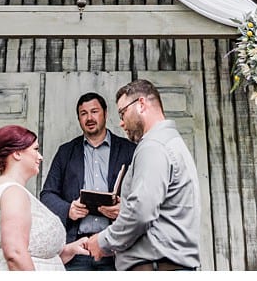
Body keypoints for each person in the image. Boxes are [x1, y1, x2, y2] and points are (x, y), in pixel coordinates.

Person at [85, 80, 201, 271]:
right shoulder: (171, 142)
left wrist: (103, 241)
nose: (121, 122)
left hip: (154, 267)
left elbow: (141, 212)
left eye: (122, 113)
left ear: (141, 104)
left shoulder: (153, 146)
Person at [40, 92, 137, 271]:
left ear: (105, 114)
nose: (89, 118)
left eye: (94, 111)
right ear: (79, 118)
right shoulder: (66, 152)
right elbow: (47, 194)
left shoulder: (129, 150)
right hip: (77, 249)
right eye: (83, 113)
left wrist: (124, 209)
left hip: (117, 249)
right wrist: (68, 209)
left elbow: (144, 196)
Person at [0, 125, 90, 271]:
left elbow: (34, 256)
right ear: (17, 153)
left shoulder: (12, 191)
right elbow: (15, 254)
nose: (40, 156)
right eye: (35, 149)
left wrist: (69, 250)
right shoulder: (13, 193)